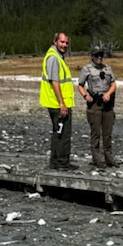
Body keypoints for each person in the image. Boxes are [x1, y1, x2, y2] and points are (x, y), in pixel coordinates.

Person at [39, 31, 75, 170]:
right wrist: (62, 104)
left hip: (55, 102)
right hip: (57, 103)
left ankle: (55, 162)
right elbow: (55, 82)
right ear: (55, 42)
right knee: (63, 134)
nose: (65, 45)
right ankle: (61, 163)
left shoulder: (56, 56)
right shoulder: (54, 58)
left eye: (66, 43)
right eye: (62, 42)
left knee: (58, 132)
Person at [76, 48, 117, 170]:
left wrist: (109, 93)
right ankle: (97, 159)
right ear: (92, 56)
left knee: (107, 133)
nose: (99, 57)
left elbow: (113, 83)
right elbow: (80, 85)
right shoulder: (86, 69)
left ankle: (109, 158)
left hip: (108, 104)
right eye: (97, 55)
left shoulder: (108, 68)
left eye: (101, 55)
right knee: (95, 133)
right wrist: (85, 95)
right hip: (95, 103)